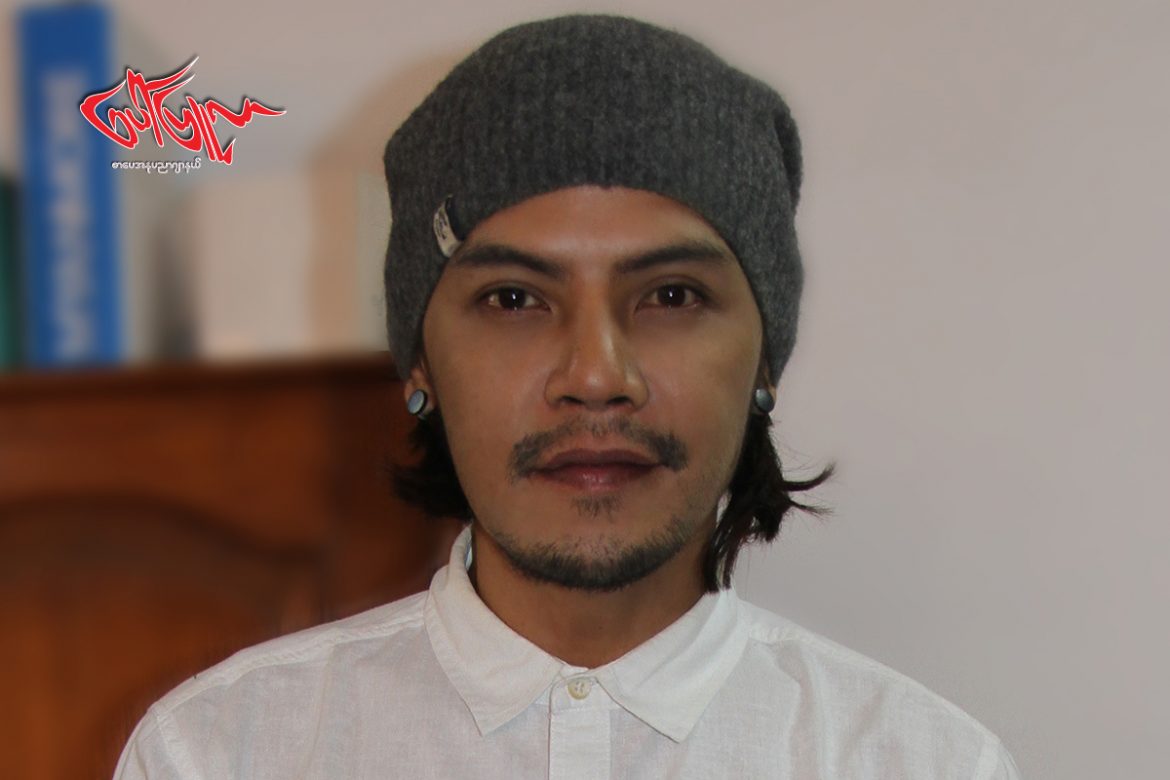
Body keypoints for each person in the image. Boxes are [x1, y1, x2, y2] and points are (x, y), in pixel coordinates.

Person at [114, 14, 1022, 779]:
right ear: (421, 363)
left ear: (763, 363)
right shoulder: (221, 754)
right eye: (514, 300)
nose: (595, 375)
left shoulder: (926, 764)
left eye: (671, 296)